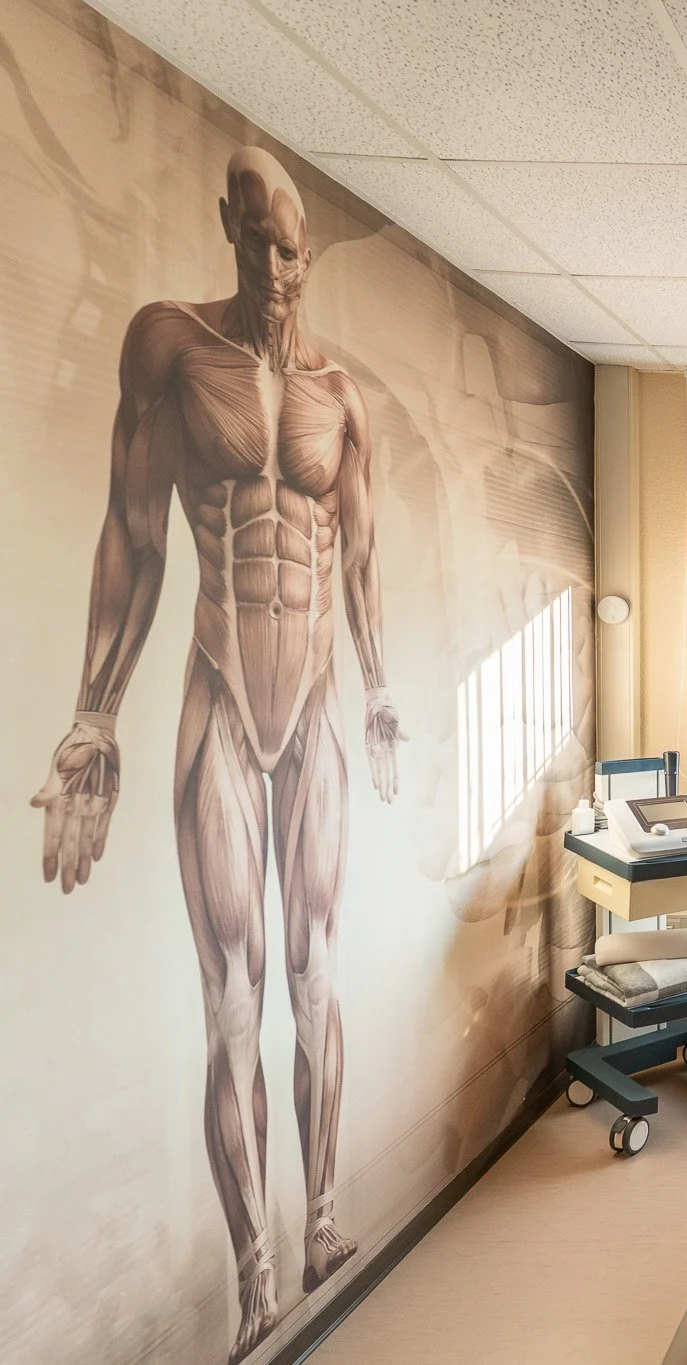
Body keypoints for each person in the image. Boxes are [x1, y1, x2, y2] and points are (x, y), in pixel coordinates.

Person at [30, 147, 401, 1362]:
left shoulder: (344, 399)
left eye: (294, 249)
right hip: (223, 701)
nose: (278, 268)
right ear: (228, 227)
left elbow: (358, 562)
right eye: (259, 242)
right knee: (234, 1000)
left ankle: (322, 1224)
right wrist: (95, 712)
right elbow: (133, 532)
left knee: (317, 974)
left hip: (320, 710)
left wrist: (382, 688)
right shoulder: (171, 349)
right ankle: (254, 1280)